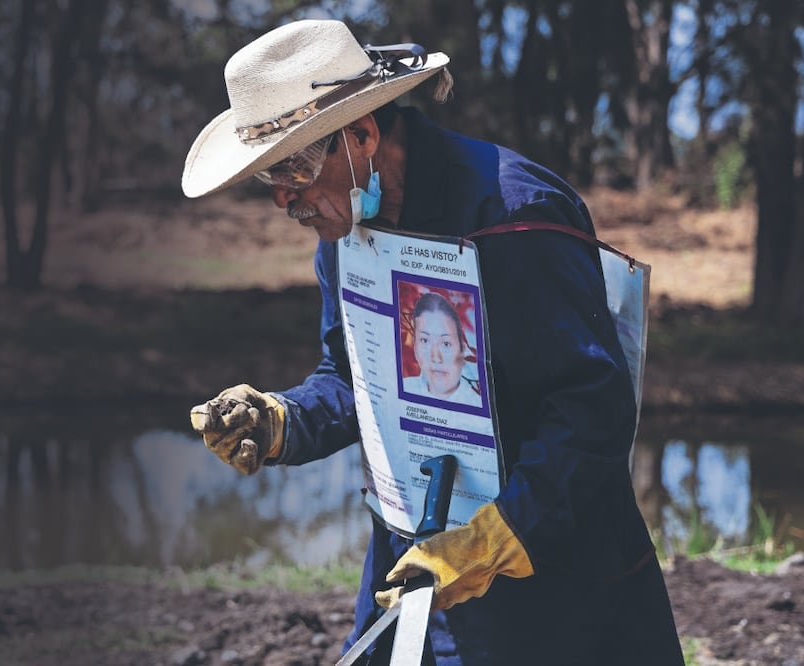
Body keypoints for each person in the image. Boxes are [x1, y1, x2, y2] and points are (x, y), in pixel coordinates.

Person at [184, 19, 684, 666]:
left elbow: (592, 409)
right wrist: (281, 421)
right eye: (268, 177)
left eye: (294, 167)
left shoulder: (511, 215)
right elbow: (355, 379)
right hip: (413, 560)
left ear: (361, 135)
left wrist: (494, 538)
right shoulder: (346, 232)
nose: (284, 197)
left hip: (548, 579)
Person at [402, 292, 481, 406]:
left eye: (446, 344)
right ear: (414, 345)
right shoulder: (403, 389)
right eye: (425, 340)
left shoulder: (477, 404)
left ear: (462, 349)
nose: (436, 357)